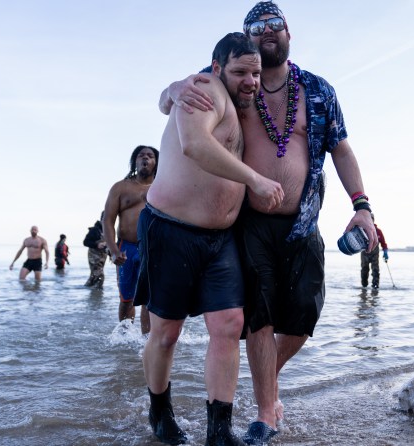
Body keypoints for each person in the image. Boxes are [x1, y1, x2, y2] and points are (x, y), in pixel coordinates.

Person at [159, 2, 378, 444]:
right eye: (256, 28)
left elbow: (342, 150)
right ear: (245, 41)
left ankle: (261, 385)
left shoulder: (317, 90)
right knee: (257, 320)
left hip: (301, 222)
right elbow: (171, 102)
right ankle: (264, 414)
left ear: (288, 33)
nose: (266, 32)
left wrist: (363, 204)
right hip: (249, 221)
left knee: (301, 320)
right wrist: (176, 86)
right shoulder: (228, 77)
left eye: (274, 25)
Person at [135, 32, 283, 446]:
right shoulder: (202, 90)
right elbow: (194, 145)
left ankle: (219, 430)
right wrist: (254, 179)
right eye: (240, 72)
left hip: (221, 240)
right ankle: (160, 412)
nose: (250, 81)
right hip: (172, 230)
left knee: (229, 324)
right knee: (166, 332)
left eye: (255, 73)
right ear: (216, 68)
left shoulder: (242, 102)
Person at [103, 145, 158, 335]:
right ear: (134, 161)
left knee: (149, 298)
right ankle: (125, 340)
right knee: (126, 298)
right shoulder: (120, 187)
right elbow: (107, 220)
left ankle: (146, 342)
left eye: (150, 156)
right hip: (126, 248)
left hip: (152, 250)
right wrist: (113, 250)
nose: (146, 159)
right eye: (141, 155)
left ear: (156, 162)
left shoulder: (163, 186)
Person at [360, 213, 389, 289]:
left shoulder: (378, 231)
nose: (370, 220)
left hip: (375, 254)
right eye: (369, 219)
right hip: (365, 253)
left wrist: (385, 252)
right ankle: (364, 286)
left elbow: (383, 243)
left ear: (373, 220)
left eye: (372, 219)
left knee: (375, 269)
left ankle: (375, 286)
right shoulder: (362, 230)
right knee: (364, 269)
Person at [83, 213, 108, 288]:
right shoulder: (94, 230)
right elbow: (85, 242)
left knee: (93, 277)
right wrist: (97, 245)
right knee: (100, 277)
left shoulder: (107, 230)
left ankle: (88, 292)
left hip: (102, 258)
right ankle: (97, 297)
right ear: (102, 218)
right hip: (94, 258)